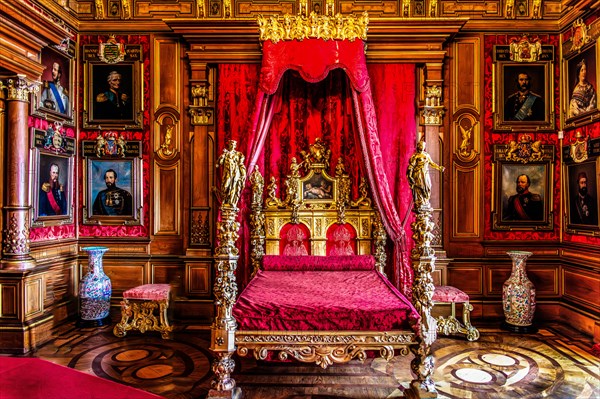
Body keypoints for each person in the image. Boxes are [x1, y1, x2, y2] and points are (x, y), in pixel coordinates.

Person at [407, 141, 445, 209]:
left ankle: (425, 201)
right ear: (418, 146)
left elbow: (431, 163)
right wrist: (410, 176)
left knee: (428, 186)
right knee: (419, 187)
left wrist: (439, 168)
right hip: (418, 174)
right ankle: (420, 202)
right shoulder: (415, 156)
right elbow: (411, 167)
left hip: (425, 173)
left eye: (423, 145)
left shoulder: (426, 155)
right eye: (421, 145)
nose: (422, 147)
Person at [216, 140, 247, 207]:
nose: (232, 146)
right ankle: (225, 199)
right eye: (231, 144)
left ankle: (232, 201)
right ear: (229, 145)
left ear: (235, 146)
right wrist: (223, 155)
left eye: (234, 145)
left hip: (235, 172)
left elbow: (241, 163)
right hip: (227, 172)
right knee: (226, 185)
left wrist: (242, 174)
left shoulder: (238, 154)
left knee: (234, 185)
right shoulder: (225, 154)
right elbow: (219, 163)